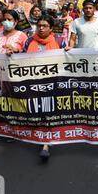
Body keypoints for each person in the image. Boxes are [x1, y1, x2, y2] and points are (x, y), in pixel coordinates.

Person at [22, 15, 61, 160]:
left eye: (45, 26)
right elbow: (21, 59)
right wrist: (11, 54)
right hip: (32, 82)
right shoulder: (29, 41)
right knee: (36, 110)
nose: (41, 28)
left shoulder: (59, 42)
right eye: (39, 25)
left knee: (47, 110)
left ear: (51, 28)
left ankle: (46, 144)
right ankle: (38, 133)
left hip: (51, 83)